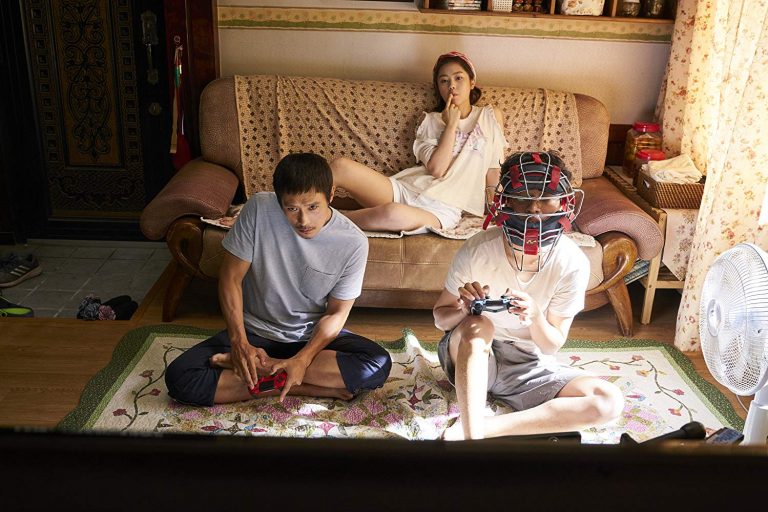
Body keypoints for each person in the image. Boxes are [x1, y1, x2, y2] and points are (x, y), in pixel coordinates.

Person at [165, 153, 392, 405]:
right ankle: (302, 386)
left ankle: (267, 372)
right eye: (292, 209)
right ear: (278, 200)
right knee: (180, 377)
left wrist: (303, 359)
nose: (303, 221)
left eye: (313, 207)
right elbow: (230, 278)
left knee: (377, 364)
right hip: (254, 334)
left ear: (330, 195)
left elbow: (336, 314)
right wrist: (239, 343)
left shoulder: (354, 242)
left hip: (309, 338)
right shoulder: (258, 209)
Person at [432, 151, 624, 440]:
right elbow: (440, 319)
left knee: (608, 401)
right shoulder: (477, 250)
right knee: (479, 325)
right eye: (524, 197)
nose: (534, 209)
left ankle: (485, 428)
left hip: (529, 364)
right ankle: (472, 438)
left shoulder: (572, 262)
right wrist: (463, 310)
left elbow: (551, 345)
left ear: (564, 202)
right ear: (505, 201)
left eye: (546, 198)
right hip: (472, 356)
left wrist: (535, 317)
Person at [331, 51, 507, 233]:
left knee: (392, 213)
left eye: (458, 78)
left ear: (472, 82)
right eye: (444, 81)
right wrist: (451, 126)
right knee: (340, 166)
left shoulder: (490, 116)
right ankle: (313, 208)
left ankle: (328, 221)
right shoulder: (429, 121)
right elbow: (437, 169)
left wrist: (499, 210)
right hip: (406, 190)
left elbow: (494, 171)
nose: (452, 86)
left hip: (441, 209)